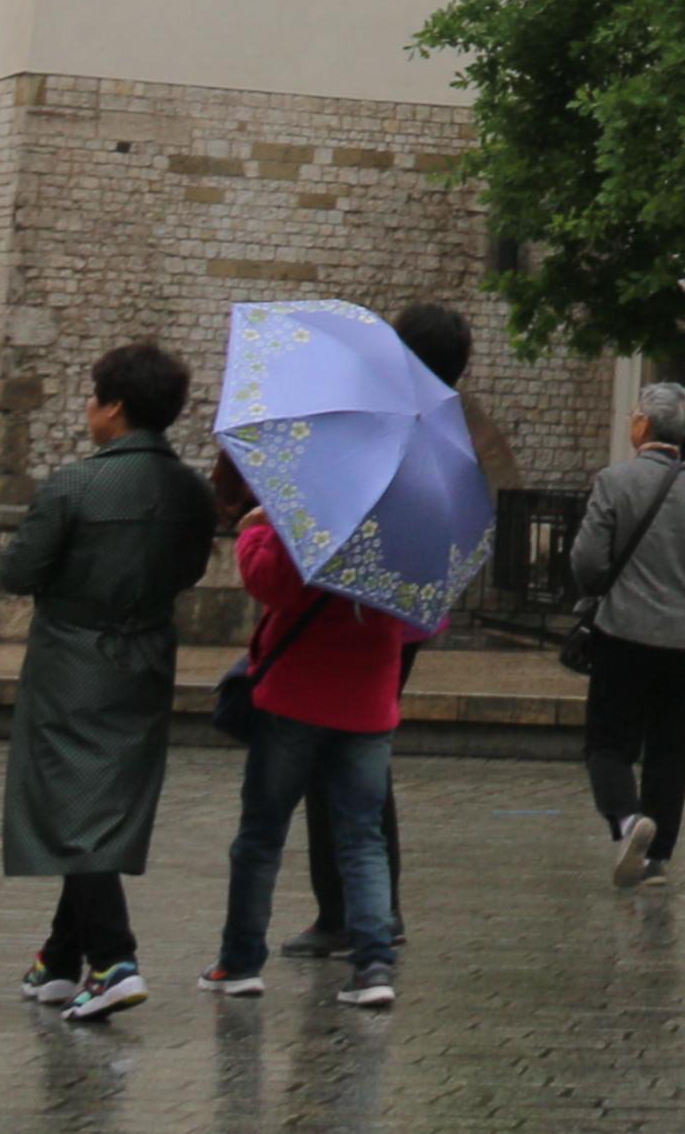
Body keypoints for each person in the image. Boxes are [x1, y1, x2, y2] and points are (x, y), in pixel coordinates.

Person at [0, 339, 220, 1020]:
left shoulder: (76, 484)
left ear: (116, 408)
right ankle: (60, 959)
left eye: (95, 395)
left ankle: (114, 958)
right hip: (147, 658)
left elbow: (17, 572)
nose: (89, 407)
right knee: (99, 803)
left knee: (73, 809)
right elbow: (189, 571)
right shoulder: (191, 490)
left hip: (73, 661)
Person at [286, 299, 497, 960]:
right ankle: (373, 910)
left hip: (356, 613)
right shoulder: (450, 430)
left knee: (335, 764)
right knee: (360, 761)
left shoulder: (384, 421)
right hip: (407, 617)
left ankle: (346, 913)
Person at [203, 433, 417, 1010]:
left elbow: (269, 580)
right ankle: (373, 966)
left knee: (261, 835)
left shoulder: (312, 501)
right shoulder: (405, 518)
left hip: (295, 697)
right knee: (362, 837)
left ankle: (241, 962)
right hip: (368, 701)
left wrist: (253, 527)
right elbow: (418, 611)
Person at [561, 380, 685, 884]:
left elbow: (586, 559)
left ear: (643, 424)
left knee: (607, 742)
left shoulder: (615, 482)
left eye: (633, 415)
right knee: (671, 750)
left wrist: (596, 589)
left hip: (622, 635)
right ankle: (657, 857)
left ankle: (627, 820)